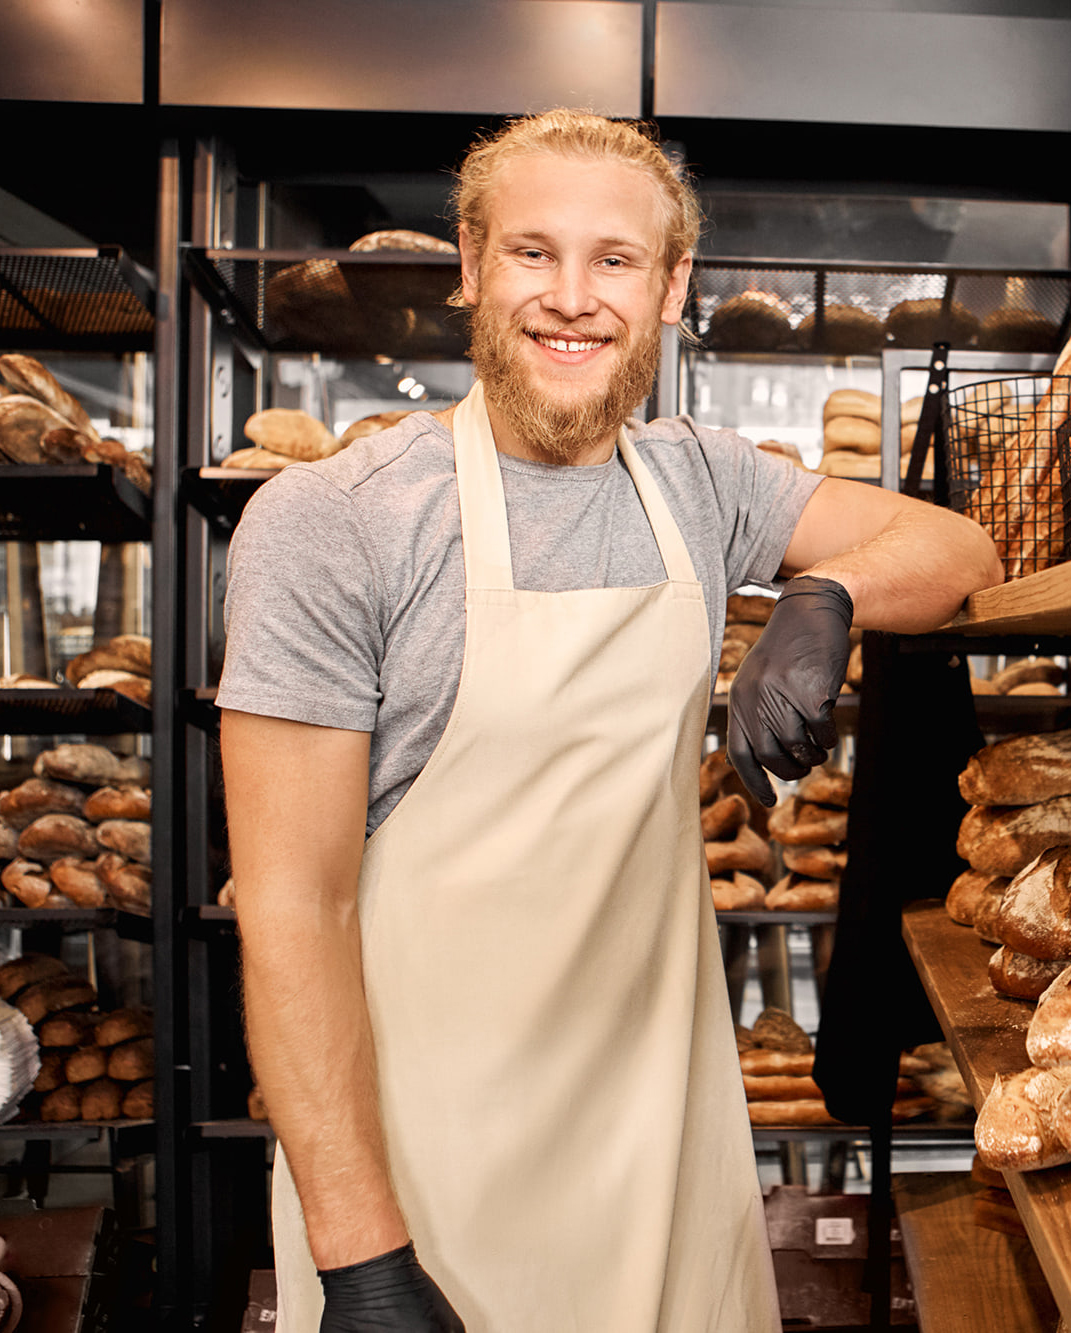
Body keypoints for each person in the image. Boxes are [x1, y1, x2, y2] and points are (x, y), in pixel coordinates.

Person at [218, 109, 1001, 1333]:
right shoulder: (332, 523)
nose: (571, 298)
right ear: (471, 266)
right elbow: (290, 909)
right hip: (423, 1173)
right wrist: (360, 1255)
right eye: (533, 253)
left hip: (663, 1148)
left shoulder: (699, 482)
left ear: (673, 287)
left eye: (615, 260)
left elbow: (959, 546)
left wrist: (825, 592)